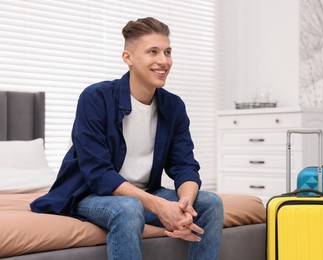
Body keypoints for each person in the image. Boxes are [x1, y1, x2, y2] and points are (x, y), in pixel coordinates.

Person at [30, 17, 224, 260]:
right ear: (128, 58)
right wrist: (159, 206)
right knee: (129, 208)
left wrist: (183, 204)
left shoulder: (173, 106)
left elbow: (184, 164)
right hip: (90, 194)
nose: (163, 61)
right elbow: (98, 174)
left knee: (210, 203)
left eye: (167, 52)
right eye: (152, 52)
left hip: (145, 193)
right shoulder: (95, 98)